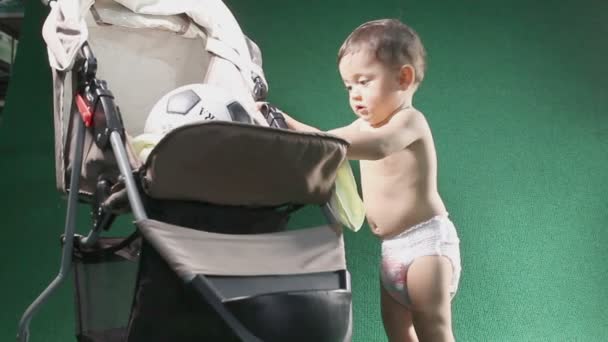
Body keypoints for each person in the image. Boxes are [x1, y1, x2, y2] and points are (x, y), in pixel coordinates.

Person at [258, 19, 461, 341]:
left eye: (364, 81)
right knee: (398, 330)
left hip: (426, 242)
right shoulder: (362, 127)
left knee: (432, 327)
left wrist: (320, 142)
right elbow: (324, 141)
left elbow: (379, 148)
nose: (355, 94)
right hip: (391, 247)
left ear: (403, 78)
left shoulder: (409, 121)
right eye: (348, 86)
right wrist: (282, 121)